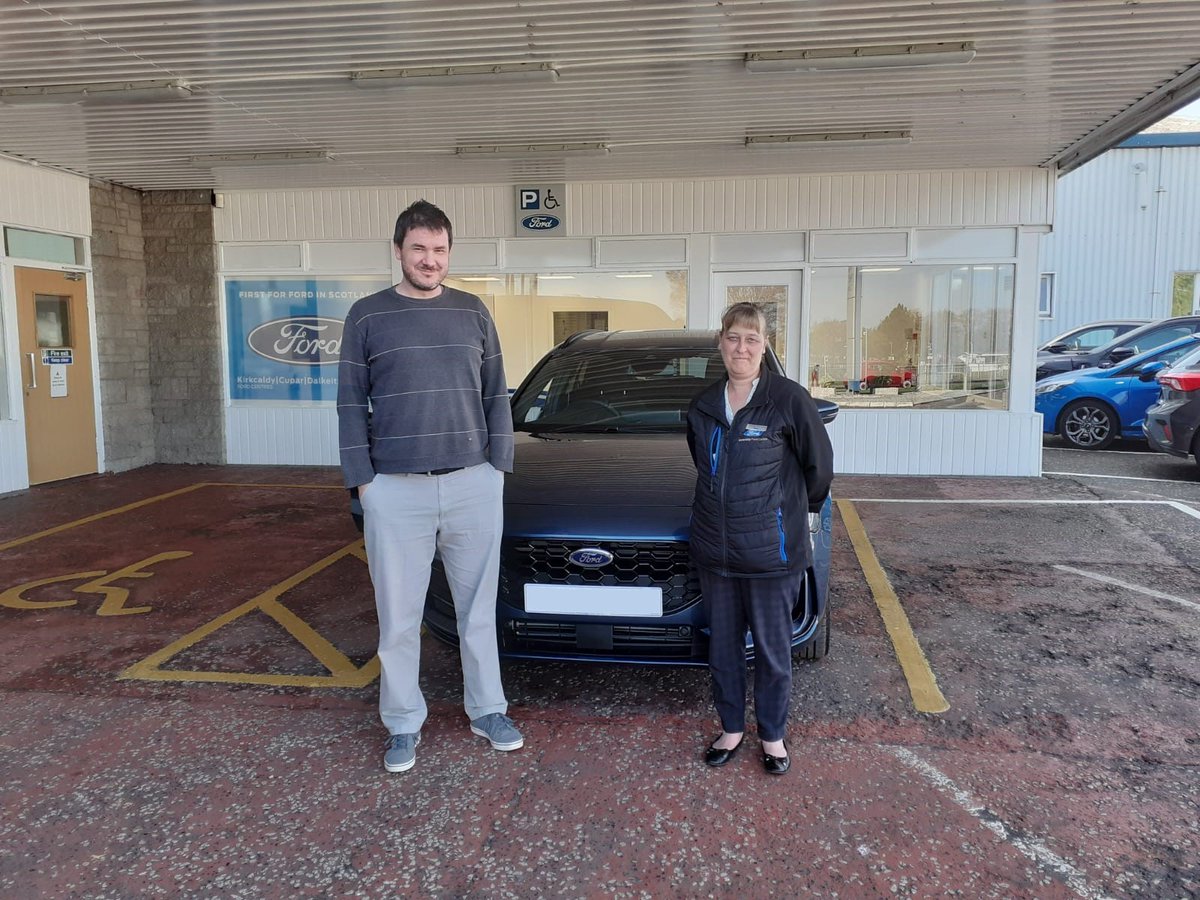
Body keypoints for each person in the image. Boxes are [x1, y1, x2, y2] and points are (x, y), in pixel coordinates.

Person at [337, 199, 522, 774]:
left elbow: (496, 393)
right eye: (419, 248)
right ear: (398, 251)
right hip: (395, 490)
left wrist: (497, 468)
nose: (430, 259)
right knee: (398, 618)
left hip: (472, 484)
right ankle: (402, 723)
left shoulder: (473, 312)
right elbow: (349, 403)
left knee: (477, 611)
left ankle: (488, 710)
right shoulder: (367, 316)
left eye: (439, 250)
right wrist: (363, 483)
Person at [685, 303, 834, 775]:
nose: (742, 348)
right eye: (733, 338)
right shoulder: (703, 406)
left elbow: (818, 470)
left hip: (773, 555)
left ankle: (772, 735)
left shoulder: (788, 399)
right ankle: (731, 728)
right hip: (716, 554)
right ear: (721, 343)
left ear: (765, 345)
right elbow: (704, 466)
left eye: (752, 339)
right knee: (723, 650)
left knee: (773, 651)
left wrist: (785, 516)